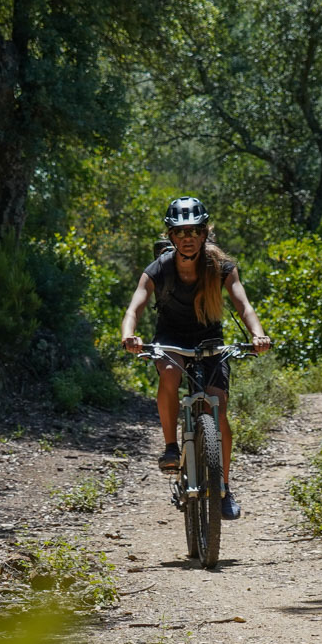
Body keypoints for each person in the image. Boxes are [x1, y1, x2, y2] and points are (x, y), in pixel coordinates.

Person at [119, 196, 271, 520]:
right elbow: (135, 306)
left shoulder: (221, 267)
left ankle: (223, 488)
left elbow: (244, 305)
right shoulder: (159, 268)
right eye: (180, 231)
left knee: (217, 408)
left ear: (204, 234)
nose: (188, 237)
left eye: (194, 231)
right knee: (169, 374)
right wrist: (129, 335)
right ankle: (171, 448)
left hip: (210, 340)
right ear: (171, 237)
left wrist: (257, 334)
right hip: (171, 339)